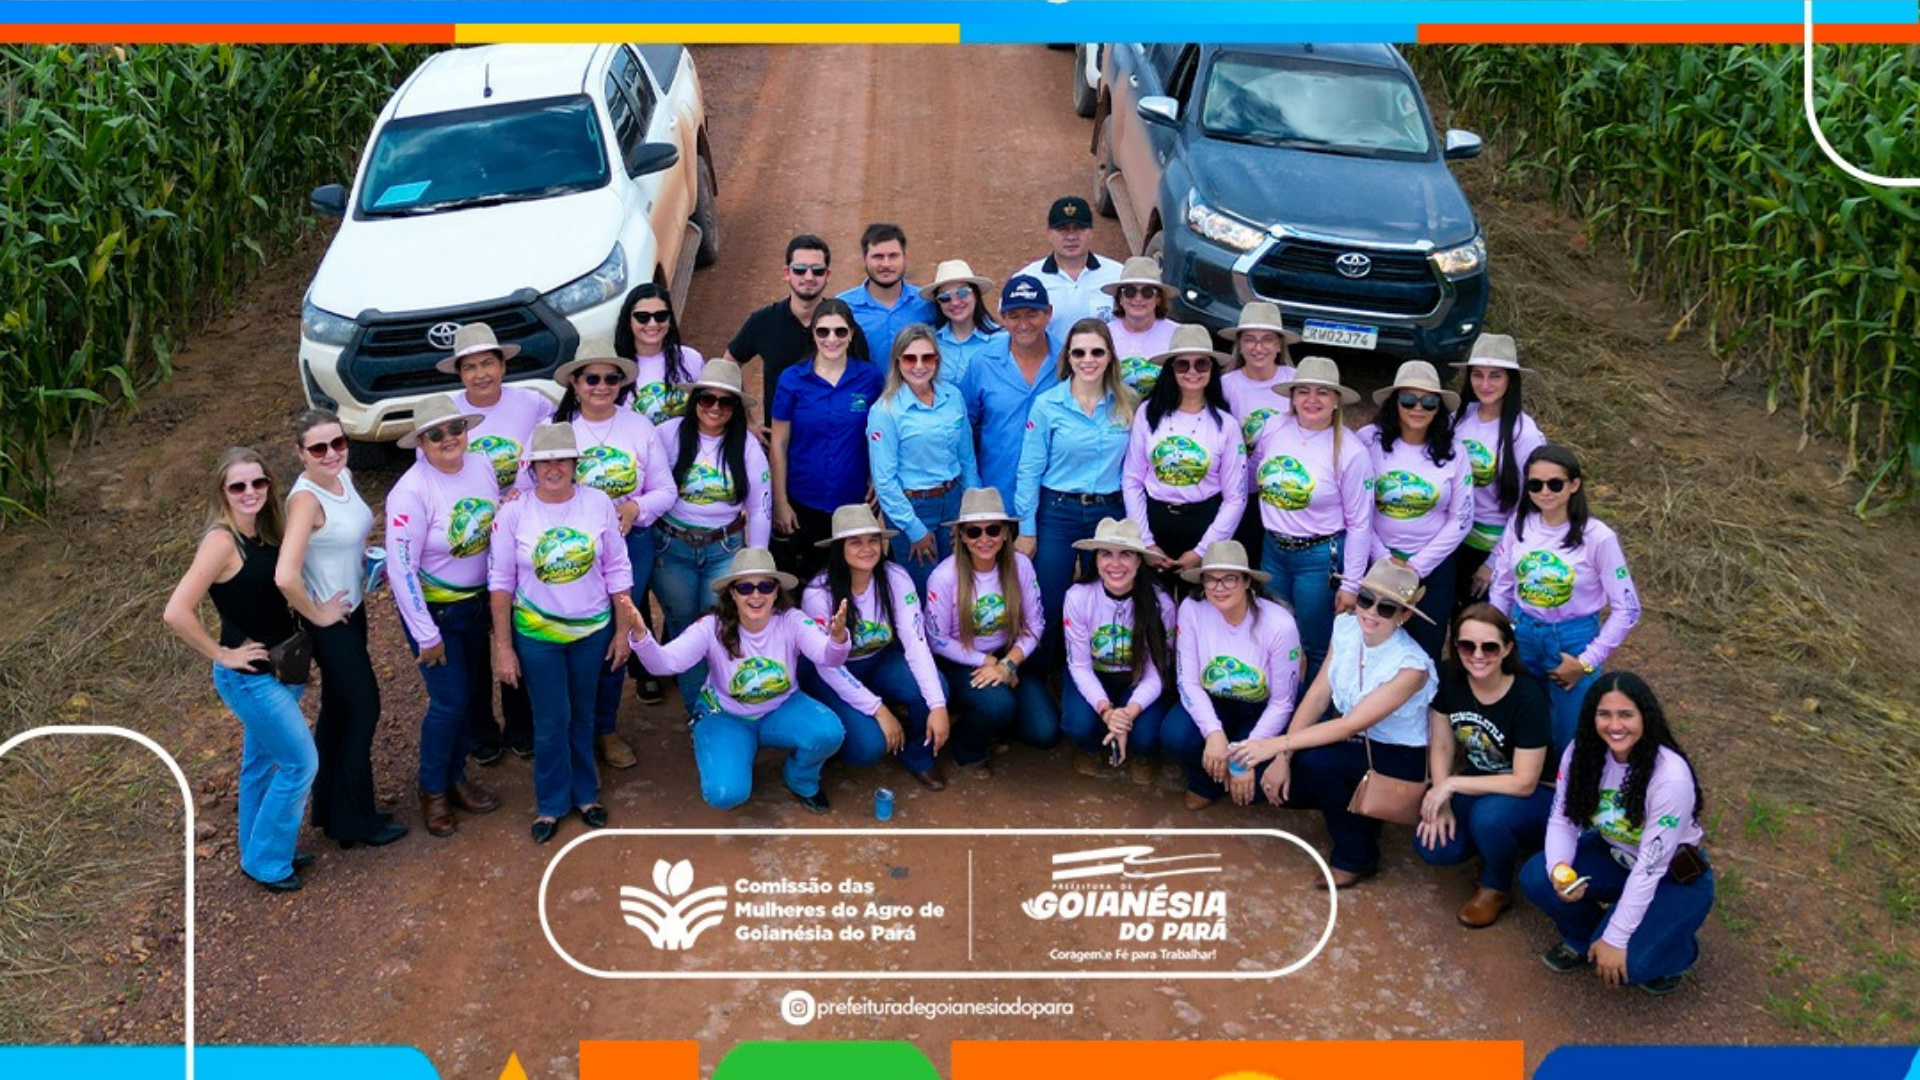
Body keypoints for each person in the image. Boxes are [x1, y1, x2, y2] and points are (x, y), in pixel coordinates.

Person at [163, 448, 321, 892]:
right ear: (222, 492)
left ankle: (260, 849)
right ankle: (268, 861)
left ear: (269, 484)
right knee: (300, 764)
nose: (250, 492)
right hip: (249, 677)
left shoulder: (266, 532)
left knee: (261, 765)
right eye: (238, 486)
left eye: (258, 482)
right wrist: (221, 653)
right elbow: (176, 611)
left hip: (280, 667)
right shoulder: (221, 541)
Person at [1243, 559, 1437, 888]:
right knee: (1283, 772)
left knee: (1318, 763)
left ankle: (1355, 856)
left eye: (1387, 607)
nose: (1371, 612)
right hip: (1355, 743)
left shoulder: (1412, 667)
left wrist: (1276, 744)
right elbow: (1319, 694)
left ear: (1404, 616)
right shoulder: (1346, 627)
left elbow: (1350, 724)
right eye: (1365, 599)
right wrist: (1282, 757)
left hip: (1395, 756)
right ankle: (1359, 813)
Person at [1518, 673, 1713, 995]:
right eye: (1604, 714)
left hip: (1671, 874)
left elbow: (1650, 867)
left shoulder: (1670, 775)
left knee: (1630, 965)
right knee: (1539, 877)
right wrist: (1559, 869)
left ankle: (1677, 950)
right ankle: (1585, 939)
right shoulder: (1582, 753)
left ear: (1645, 717)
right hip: (1615, 854)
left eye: (1626, 714)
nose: (1614, 725)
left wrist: (1617, 936)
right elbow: (1562, 820)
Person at [489, 424, 634, 843]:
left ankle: (586, 794)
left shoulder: (598, 503)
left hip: (591, 629)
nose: (553, 468)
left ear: (575, 464)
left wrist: (623, 629)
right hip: (537, 634)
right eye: (544, 461)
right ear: (532, 468)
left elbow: (617, 568)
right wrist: (503, 648)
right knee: (551, 719)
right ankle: (551, 803)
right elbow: (500, 581)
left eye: (561, 459)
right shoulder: (514, 512)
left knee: (584, 712)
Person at [621, 548, 852, 812]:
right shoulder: (711, 626)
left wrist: (837, 639)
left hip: (782, 707)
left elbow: (828, 657)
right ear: (732, 593)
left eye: (766, 586)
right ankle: (731, 748)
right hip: (726, 714)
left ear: (777, 591)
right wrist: (641, 635)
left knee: (829, 732)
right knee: (725, 794)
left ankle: (800, 778)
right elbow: (665, 663)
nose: (756, 595)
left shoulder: (792, 620)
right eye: (745, 588)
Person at [275, 410, 403, 849]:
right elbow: (285, 575)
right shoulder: (305, 500)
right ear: (300, 454)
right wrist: (317, 613)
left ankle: (330, 809)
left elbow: (339, 539)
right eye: (318, 448)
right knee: (363, 710)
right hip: (333, 625)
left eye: (339, 443)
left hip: (352, 609)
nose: (331, 453)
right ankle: (355, 821)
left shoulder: (342, 477)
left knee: (338, 712)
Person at [434, 322, 553, 762]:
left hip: (521, 533)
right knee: (471, 644)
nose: (480, 373)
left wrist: (527, 488)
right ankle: (481, 730)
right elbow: (432, 473)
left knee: (518, 632)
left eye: (488, 362)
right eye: (470, 366)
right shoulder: (446, 413)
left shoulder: (532, 403)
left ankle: (523, 724)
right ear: (459, 373)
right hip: (468, 543)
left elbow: (555, 443)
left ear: (504, 364)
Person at [385, 396, 503, 838]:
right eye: (436, 434)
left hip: (475, 604)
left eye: (454, 429)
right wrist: (424, 632)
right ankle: (432, 788)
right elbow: (401, 568)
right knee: (449, 701)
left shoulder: (480, 466)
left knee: (471, 695)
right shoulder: (411, 492)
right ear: (421, 442)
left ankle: (455, 777)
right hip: (434, 613)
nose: (448, 439)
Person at [552, 354, 675, 771]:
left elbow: (666, 489)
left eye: (611, 378)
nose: (601, 385)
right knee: (578, 636)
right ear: (575, 382)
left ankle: (604, 728)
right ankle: (573, 729)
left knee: (616, 633)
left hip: (630, 543)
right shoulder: (561, 431)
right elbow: (532, 486)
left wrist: (634, 509)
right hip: (573, 551)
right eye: (592, 378)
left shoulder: (638, 427)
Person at [1487, 444, 1642, 755]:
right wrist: (1496, 635)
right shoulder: (1519, 525)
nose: (1545, 492)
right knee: (1524, 719)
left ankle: (1568, 793)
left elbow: (1628, 608)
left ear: (1574, 485)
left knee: (1569, 733)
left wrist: (1586, 662)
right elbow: (1502, 585)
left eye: (1555, 483)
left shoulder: (1598, 537)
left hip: (1572, 640)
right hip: (1523, 632)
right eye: (1535, 484)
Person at [1413, 604, 1553, 928]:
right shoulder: (1451, 678)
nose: (1478, 655)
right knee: (1433, 846)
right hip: (1482, 781)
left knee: (1489, 818)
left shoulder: (1527, 697)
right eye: (1467, 645)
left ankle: (1496, 884)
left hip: (1537, 793)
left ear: (1506, 648)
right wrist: (1441, 795)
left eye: (1489, 646)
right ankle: (1495, 844)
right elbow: (1443, 743)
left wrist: (1451, 785)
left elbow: (1524, 782)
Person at [652, 359, 773, 723]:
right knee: (685, 629)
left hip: (725, 549)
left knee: (719, 628)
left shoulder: (747, 446)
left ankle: (728, 704)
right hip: (671, 548)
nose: (715, 408)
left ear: (736, 408)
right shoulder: (668, 434)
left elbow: (761, 507)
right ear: (695, 401)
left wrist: (756, 561)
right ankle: (699, 713)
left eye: (726, 402)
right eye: (707, 399)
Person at [801, 505, 952, 790]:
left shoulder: (895, 577)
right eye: (855, 542)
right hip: (831, 673)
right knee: (868, 747)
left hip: (878, 661)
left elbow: (916, 643)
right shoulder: (818, 593)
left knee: (936, 689)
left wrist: (938, 705)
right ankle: (831, 742)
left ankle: (918, 756)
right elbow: (828, 667)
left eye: (873, 540)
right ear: (838, 548)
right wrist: (878, 709)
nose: (867, 548)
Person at [1013, 318, 1136, 665]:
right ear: (1068, 356)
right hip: (1057, 511)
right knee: (1048, 600)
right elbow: (1029, 469)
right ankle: (1041, 678)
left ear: (1110, 356)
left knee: (1106, 598)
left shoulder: (1128, 403)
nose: (1088, 360)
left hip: (1109, 513)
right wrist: (1026, 529)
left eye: (1097, 351)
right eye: (1079, 352)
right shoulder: (1047, 405)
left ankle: (1094, 674)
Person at [1250, 355, 1373, 687]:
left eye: (1323, 392)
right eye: (1303, 391)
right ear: (1292, 396)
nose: (1312, 400)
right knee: (1274, 633)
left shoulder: (1350, 450)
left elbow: (1361, 523)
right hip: (1273, 548)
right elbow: (1254, 475)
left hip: (1319, 557)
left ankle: (1311, 722)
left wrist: (1351, 583)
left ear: (1336, 400)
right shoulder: (1273, 429)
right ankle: (1277, 705)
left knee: (1316, 644)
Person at [923, 488, 1057, 775]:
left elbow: (1035, 625)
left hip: (1008, 654)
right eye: (973, 532)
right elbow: (937, 639)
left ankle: (992, 726)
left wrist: (1008, 664)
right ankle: (966, 749)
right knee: (998, 705)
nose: (984, 539)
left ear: (1007, 532)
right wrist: (988, 663)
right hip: (961, 660)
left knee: (1045, 732)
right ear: (960, 535)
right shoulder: (944, 576)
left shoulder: (1021, 566)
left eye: (993, 529)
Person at [1162, 541, 1302, 810]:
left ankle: (1226, 767)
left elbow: (1283, 702)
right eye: (1211, 580)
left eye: (1229, 579)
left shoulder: (1279, 623)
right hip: (1214, 700)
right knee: (1174, 735)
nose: (1219, 587)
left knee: (1259, 785)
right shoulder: (1192, 609)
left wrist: (1246, 754)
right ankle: (1207, 781)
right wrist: (1213, 733)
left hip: (1261, 709)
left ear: (1247, 581)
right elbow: (1188, 682)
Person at [1359, 360, 1473, 660]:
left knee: (1424, 651)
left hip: (1432, 570)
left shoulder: (1455, 452)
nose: (1418, 408)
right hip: (1375, 563)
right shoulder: (1368, 441)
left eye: (1429, 401)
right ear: (1395, 402)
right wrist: (1383, 558)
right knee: (1370, 644)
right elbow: (1356, 508)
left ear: (1439, 407)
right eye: (1408, 399)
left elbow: (1462, 518)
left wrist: (1417, 566)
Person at [1121, 324, 1247, 589]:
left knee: (1201, 610)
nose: (1192, 372)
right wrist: (1146, 541)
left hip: (1204, 522)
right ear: (1170, 369)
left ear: (1212, 370)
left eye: (1201, 364)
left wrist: (1203, 551)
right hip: (1155, 521)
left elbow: (1236, 497)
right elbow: (1132, 480)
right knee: (1155, 610)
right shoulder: (1148, 413)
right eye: (1182, 365)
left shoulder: (1226, 425)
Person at [770, 297, 884, 580]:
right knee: (807, 580)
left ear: (851, 334)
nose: (831, 339)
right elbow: (779, 443)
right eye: (823, 331)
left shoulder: (870, 378)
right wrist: (781, 501)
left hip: (854, 500)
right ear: (813, 334)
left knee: (854, 578)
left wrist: (878, 481)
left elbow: (882, 437)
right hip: (803, 502)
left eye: (840, 331)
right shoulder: (791, 379)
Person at [1060, 518, 1175, 784]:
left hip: (1138, 680)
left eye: (1126, 554)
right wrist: (1106, 711)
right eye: (1106, 554)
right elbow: (1079, 666)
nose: (1115, 564)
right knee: (1078, 724)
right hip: (1094, 674)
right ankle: (1091, 746)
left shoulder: (1162, 605)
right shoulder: (1078, 597)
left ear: (1139, 561)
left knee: (1146, 735)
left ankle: (1144, 754)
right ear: (1096, 560)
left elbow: (1157, 670)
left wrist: (1127, 713)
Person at [866, 324, 979, 594]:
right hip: (913, 508)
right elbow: (884, 481)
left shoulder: (953, 397)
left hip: (953, 503)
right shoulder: (885, 411)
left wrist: (971, 509)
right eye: (910, 358)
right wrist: (914, 530)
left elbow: (966, 458)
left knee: (957, 586)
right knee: (925, 590)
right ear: (897, 361)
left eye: (927, 357)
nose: (919, 365)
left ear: (937, 360)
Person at [1449, 333, 1545, 614]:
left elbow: (1530, 505)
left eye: (1495, 376)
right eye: (1478, 375)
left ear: (1510, 380)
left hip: (1494, 545)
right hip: (1453, 540)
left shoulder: (1524, 434)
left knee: (1481, 626)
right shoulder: (1458, 418)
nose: (1485, 384)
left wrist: (1492, 563)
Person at [959, 275, 1062, 500]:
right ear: (1003, 318)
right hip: (998, 493)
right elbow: (964, 427)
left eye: (1032, 314)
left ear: (1049, 314)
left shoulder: (1070, 361)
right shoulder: (982, 364)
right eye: (1014, 316)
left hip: (1057, 499)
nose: (1023, 324)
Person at [1218, 302, 1301, 555]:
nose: (1258, 347)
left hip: (1284, 491)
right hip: (1241, 491)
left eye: (1267, 340)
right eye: (1250, 340)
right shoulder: (1225, 385)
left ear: (1279, 345)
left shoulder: (1296, 381)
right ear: (1240, 345)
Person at [724, 233, 835, 413]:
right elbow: (728, 365)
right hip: (777, 437)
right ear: (786, 273)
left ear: (827, 275)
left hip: (831, 438)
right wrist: (747, 419)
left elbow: (861, 379)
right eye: (799, 269)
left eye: (818, 270)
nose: (808, 277)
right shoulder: (764, 321)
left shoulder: (842, 325)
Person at [1013, 195, 1122, 340]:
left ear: (1091, 232)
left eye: (1079, 229)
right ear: (1048, 234)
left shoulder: (1118, 275)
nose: (1071, 237)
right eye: (1063, 230)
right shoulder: (1026, 281)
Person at [617, 282, 707, 425]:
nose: (652, 323)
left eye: (661, 316)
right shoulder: (617, 366)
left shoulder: (691, 359)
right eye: (642, 317)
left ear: (670, 319)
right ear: (628, 320)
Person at [837, 222, 935, 354]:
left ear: (904, 257)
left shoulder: (926, 303)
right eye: (878, 257)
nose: (886, 264)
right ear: (865, 259)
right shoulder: (843, 307)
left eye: (893, 256)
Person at [1101, 255, 1178, 395]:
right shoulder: (1103, 334)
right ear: (1120, 298)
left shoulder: (1177, 334)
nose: (1138, 298)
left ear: (1158, 298)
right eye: (1130, 292)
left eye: (1147, 292)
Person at [923, 258, 1001, 385]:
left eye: (962, 292)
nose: (954, 302)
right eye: (945, 297)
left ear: (976, 295)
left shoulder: (1002, 340)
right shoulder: (929, 341)